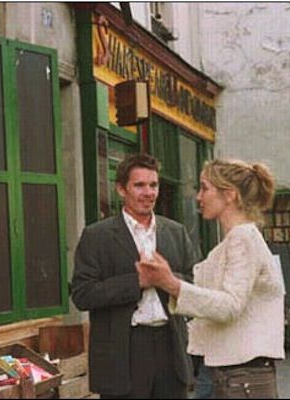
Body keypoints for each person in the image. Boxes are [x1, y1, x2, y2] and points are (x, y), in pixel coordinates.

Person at [137, 159, 285, 399]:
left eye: (205, 188)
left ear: (229, 195)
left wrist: (170, 284)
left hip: (239, 374)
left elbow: (230, 305)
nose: (198, 196)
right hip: (225, 369)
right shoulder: (232, 241)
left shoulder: (243, 239)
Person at [71, 153, 198, 399]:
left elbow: (195, 286)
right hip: (123, 352)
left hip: (170, 348)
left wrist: (166, 280)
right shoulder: (97, 236)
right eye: (139, 185)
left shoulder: (176, 232)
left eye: (153, 185)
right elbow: (82, 294)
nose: (148, 192)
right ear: (121, 189)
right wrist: (137, 282)